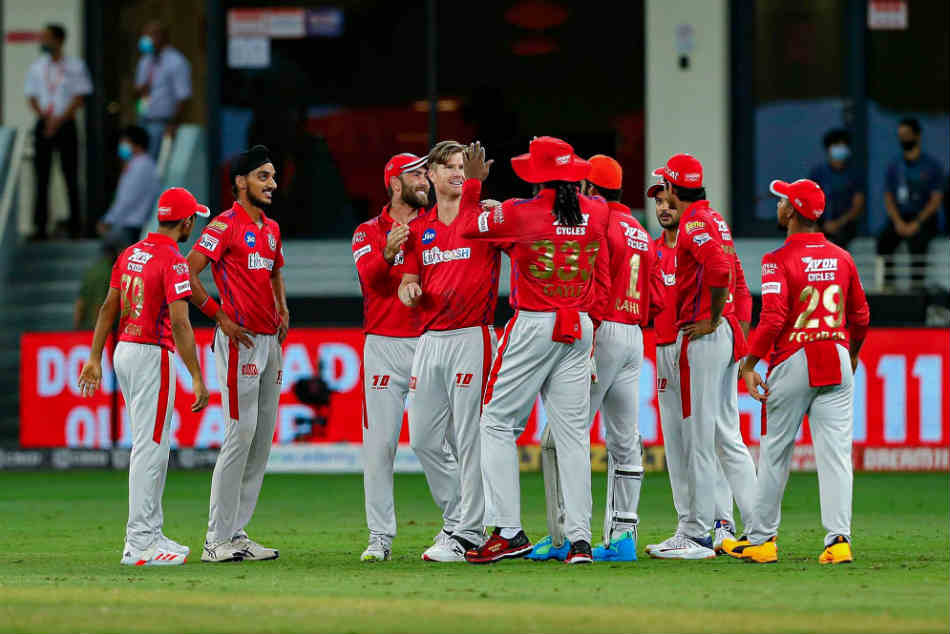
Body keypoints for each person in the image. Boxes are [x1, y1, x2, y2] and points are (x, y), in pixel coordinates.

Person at [459, 137, 609, 565]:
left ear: (536, 175)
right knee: (573, 436)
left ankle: (508, 531)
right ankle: (579, 541)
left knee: (495, 423)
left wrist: (473, 184)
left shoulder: (518, 214)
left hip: (534, 324)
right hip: (579, 325)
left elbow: (467, 226)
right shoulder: (596, 211)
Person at [723, 178, 870, 564]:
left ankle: (762, 540)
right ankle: (838, 541)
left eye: (782, 201)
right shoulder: (842, 257)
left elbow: (773, 319)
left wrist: (749, 363)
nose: (778, 205)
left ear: (791, 212)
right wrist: (852, 354)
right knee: (836, 455)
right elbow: (861, 316)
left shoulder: (777, 259)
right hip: (836, 355)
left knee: (775, 452)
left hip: (796, 357)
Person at [526, 155, 662, 563]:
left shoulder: (598, 223)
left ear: (589, 188)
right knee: (625, 440)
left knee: (559, 438)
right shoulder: (642, 232)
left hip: (601, 332)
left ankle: (563, 537)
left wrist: (590, 339)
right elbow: (655, 296)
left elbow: (594, 280)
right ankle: (623, 537)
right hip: (634, 335)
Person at [77, 187, 210, 566]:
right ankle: (138, 543)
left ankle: (151, 531)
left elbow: (108, 307)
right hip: (153, 353)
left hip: (125, 350)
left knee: (151, 444)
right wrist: (197, 376)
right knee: (150, 447)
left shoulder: (130, 253)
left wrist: (94, 357)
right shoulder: (174, 262)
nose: (194, 226)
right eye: (194, 220)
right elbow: (181, 323)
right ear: (186, 222)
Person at [396, 141, 503, 562]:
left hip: (472, 335)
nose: (458, 173)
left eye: (462, 167)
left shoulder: (482, 216)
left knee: (469, 439)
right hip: (430, 339)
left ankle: (469, 533)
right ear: (432, 176)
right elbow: (407, 282)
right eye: (450, 167)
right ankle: (459, 516)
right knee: (423, 440)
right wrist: (409, 292)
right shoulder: (420, 229)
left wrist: (494, 205)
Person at [651, 153, 757, 560]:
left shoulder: (694, 223)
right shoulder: (715, 219)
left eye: (666, 187)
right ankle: (760, 529)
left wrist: (712, 319)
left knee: (699, 437)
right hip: (724, 334)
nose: (664, 197)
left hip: (706, 336)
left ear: (674, 188)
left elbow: (719, 270)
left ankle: (696, 535)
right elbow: (736, 279)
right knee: (727, 436)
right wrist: (732, 332)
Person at [187, 145, 289, 563]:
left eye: (273, 176)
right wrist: (219, 317)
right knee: (239, 434)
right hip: (239, 342)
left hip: (269, 342)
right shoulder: (224, 225)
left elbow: (275, 271)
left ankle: (236, 532)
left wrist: (283, 307)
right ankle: (216, 540)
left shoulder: (271, 228)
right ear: (241, 182)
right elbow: (187, 271)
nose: (272, 184)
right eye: (263, 176)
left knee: (260, 441)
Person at [351, 153, 432, 562]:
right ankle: (379, 536)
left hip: (430, 343)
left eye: (426, 173)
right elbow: (369, 281)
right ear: (395, 184)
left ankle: (462, 528)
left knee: (438, 442)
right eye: (416, 173)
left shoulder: (437, 225)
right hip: (383, 346)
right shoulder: (367, 232)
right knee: (379, 446)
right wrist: (386, 252)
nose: (425, 180)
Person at [24, 23, 92, 240]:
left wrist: (59, 119)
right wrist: (46, 118)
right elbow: (31, 97)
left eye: (47, 38)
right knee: (41, 177)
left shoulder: (75, 66)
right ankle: (40, 227)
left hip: (66, 124)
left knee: (70, 175)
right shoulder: (37, 67)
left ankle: (75, 227)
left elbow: (80, 97)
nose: (43, 42)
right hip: (44, 123)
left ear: (59, 40)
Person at [876, 118, 945, 289]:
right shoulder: (894, 166)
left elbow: (936, 199)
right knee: (884, 240)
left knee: (918, 243)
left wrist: (917, 222)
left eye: (906, 134)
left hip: (923, 218)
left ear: (917, 136)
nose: (903, 139)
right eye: (900, 135)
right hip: (900, 217)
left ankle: (917, 288)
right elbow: (888, 197)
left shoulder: (932, 166)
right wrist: (898, 222)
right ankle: (887, 285)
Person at [135, 21, 192, 159]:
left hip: (162, 124)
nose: (145, 39)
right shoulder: (145, 61)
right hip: (143, 119)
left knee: (156, 163)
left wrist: (173, 124)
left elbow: (183, 97)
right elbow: (138, 91)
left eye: (149, 35)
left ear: (161, 37)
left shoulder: (176, 61)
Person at [97, 125, 161, 249]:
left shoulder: (141, 166)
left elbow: (127, 198)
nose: (121, 146)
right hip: (130, 223)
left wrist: (109, 219)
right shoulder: (140, 164)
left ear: (137, 145)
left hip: (131, 225)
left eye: (125, 142)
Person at [807, 129, 865, 248]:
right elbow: (809, 202)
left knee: (838, 243)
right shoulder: (818, 173)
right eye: (836, 146)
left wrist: (838, 223)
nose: (840, 150)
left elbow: (857, 206)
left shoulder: (854, 174)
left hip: (846, 223)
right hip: (821, 222)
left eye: (843, 146)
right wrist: (816, 225)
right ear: (828, 149)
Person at [74, 243, 119, 330]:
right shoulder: (110, 272)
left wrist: (77, 326)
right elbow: (101, 305)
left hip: (86, 328)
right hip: (102, 329)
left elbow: (80, 302)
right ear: (113, 254)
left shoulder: (91, 271)